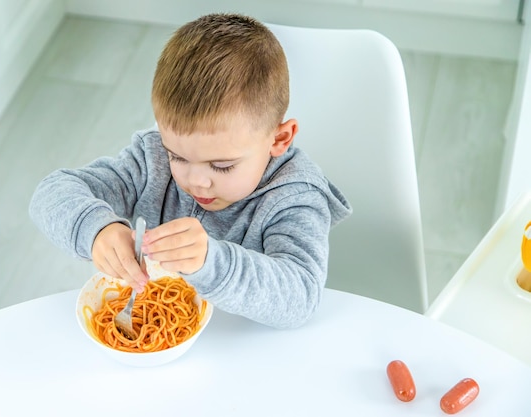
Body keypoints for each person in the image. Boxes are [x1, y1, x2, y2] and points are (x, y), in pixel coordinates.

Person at [29, 13, 352, 329]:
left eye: (222, 165)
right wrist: (96, 228)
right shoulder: (151, 159)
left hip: (248, 342)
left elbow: (300, 300)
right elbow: (52, 193)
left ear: (279, 139)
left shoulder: (295, 196)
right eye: (178, 157)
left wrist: (210, 262)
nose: (195, 181)